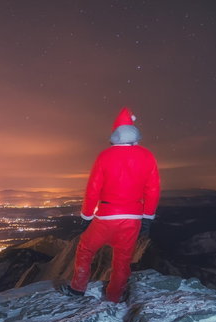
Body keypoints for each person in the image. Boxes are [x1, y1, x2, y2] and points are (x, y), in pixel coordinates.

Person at [63, 107, 160, 303]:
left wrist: (87, 216)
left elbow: (93, 190)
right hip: (132, 217)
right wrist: (147, 217)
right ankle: (114, 296)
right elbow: (153, 190)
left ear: (115, 134)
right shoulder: (147, 156)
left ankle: (78, 288)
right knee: (123, 259)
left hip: (106, 215)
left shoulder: (105, 156)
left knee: (86, 249)